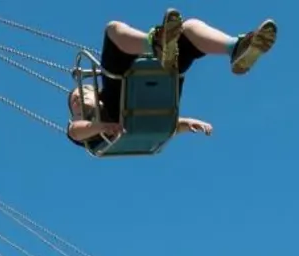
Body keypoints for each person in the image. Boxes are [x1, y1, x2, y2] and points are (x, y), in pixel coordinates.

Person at [68, 9, 278, 152]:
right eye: (74, 104)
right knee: (112, 29)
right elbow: (76, 132)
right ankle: (157, 45)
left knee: (189, 27)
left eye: (81, 93)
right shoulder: (90, 129)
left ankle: (235, 47)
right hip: (127, 111)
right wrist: (186, 123)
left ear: (95, 92)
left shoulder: (107, 90)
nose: (77, 99)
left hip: (157, 79)